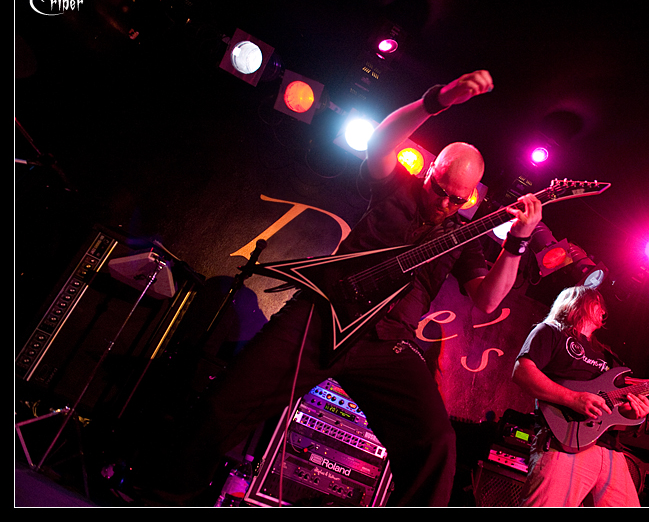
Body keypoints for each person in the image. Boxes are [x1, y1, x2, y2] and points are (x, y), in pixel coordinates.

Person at [139, 70, 543, 507]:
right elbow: (381, 141)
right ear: (430, 172)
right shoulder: (396, 186)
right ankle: (166, 496)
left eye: (457, 200)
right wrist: (439, 99)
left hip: (387, 344)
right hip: (323, 316)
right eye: (440, 190)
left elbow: (488, 299)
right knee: (227, 403)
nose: (445, 204)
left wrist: (518, 242)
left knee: (436, 443)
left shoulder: (463, 238)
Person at [512, 285, 649, 507]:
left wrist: (636, 412)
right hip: (564, 442)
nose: (603, 311)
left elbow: (617, 409)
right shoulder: (550, 331)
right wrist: (573, 399)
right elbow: (522, 372)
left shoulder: (609, 356)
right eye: (597, 303)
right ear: (577, 302)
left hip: (610, 450)